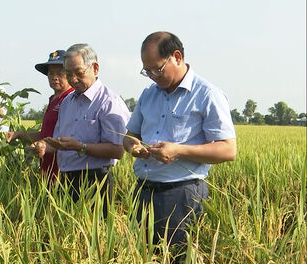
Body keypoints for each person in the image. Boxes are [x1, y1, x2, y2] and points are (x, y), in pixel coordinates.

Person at [124, 31, 237, 245]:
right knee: (139, 255)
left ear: (176, 57)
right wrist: (133, 147)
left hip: (183, 195)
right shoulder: (149, 94)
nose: (152, 76)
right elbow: (130, 136)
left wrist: (179, 151)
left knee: (178, 256)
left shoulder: (207, 94)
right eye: (146, 71)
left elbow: (228, 150)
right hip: (143, 192)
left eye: (157, 69)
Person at [32, 44, 131, 216]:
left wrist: (81, 147)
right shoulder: (67, 102)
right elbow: (59, 142)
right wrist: (44, 146)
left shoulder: (108, 101)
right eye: (69, 74)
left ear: (95, 68)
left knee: (94, 234)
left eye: (79, 73)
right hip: (66, 180)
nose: (73, 79)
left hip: (96, 181)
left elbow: (117, 150)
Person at [6, 50, 74, 183]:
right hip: (46, 168)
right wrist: (18, 134)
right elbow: (45, 135)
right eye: (51, 73)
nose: (55, 77)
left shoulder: (71, 99)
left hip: (62, 171)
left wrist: (44, 145)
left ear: (70, 74)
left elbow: (71, 137)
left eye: (60, 73)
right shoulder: (54, 99)